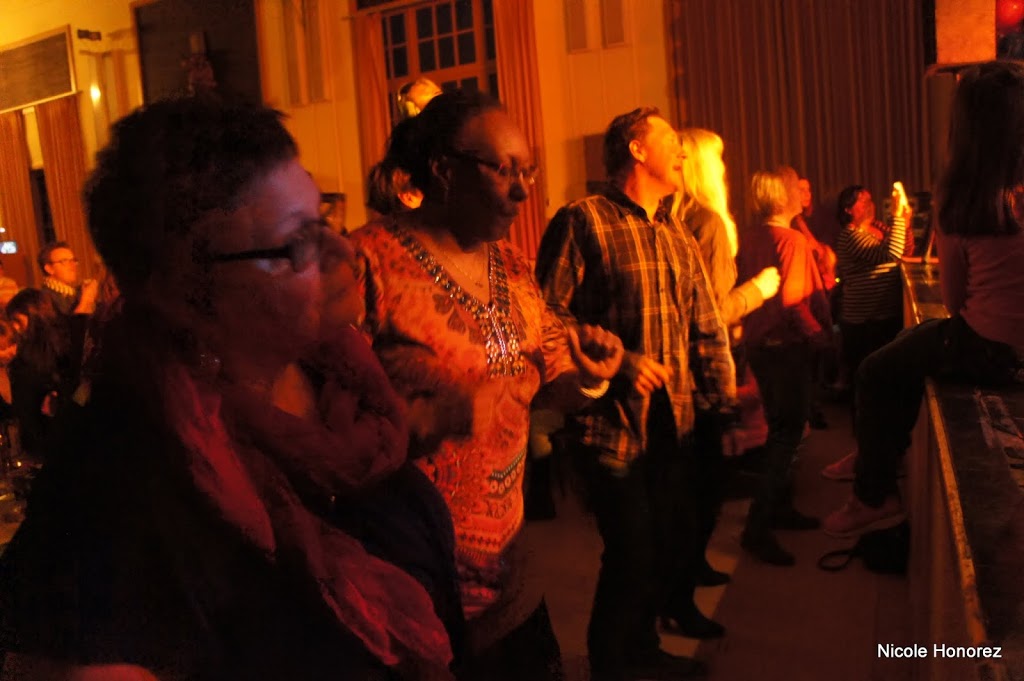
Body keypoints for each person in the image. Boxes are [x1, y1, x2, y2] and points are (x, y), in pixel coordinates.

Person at [0, 97, 458, 680]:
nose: (346, 253)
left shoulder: (345, 378)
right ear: (183, 288)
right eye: (298, 244)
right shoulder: (118, 476)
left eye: (325, 223)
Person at [351, 90, 624, 681]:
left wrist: (590, 379)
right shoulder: (366, 263)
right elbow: (320, 418)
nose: (523, 191)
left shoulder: (514, 266)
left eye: (529, 171)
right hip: (412, 576)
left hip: (511, 575)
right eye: (504, 170)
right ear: (445, 170)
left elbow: (551, 380)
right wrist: (423, 419)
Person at [538, 107, 736, 680]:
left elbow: (705, 325)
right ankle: (613, 665)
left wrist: (723, 405)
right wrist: (621, 362)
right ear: (637, 149)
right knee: (631, 552)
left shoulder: (676, 231)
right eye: (671, 139)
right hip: (609, 424)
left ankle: (642, 652)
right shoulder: (583, 220)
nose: (682, 151)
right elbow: (547, 314)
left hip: (673, 423)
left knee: (665, 545)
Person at [823, 60, 1024, 537]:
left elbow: (954, 300)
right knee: (910, 347)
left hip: (989, 349)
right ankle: (875, 453)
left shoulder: (964, 197)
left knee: (876, 370)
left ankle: (873, 495)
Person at [673, 127, 779, 589]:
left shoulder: (669, 218)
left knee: (687, 479)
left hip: (677, 368)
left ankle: (682, 573)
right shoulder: (709, 223)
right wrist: (758, 290)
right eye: (717, 159)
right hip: (706, 366)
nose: (724, 168)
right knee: (707, 480)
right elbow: (711, 313)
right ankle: (687, 575)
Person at [736, 170, 832, 566]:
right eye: (795, 187)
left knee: (780, 431)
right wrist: (821, 337)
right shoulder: (791, 240)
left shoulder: (749, 236)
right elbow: (793, 302)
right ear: (781, 196)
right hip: (785, 347)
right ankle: (757, 527)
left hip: (760, 345)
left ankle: (780, 508)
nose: (802, 192)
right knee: (787, 435)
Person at [820, 182, 913, 480]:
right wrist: (898, 216)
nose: (870, 204)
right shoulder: (850, 236)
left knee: (882, 391)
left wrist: (904, 222)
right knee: (867, 392)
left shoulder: (875, 229)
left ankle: (880, 453)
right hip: (863, 324)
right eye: (863, 201)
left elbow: (903, 249)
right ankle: (864, 456)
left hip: (880, 320)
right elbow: (890, 254)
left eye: (871, 199)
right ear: (849, 209)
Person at [36, 241, 97, 318]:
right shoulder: (42, 300)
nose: (73, 265)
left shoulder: (77, 293)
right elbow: (71, 325)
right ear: (49, 269)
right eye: (64, 261)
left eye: (73, 260)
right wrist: (86, 300)